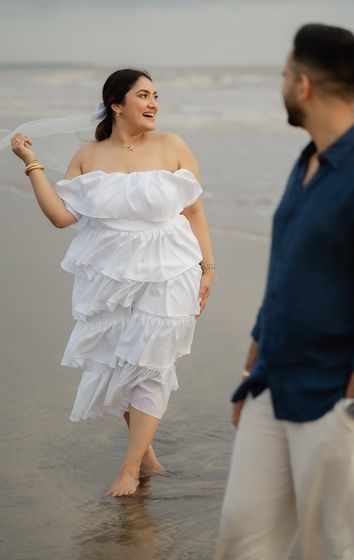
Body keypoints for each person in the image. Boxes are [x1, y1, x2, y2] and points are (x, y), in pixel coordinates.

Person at [214, 23, 354, 560]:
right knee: (243, 534)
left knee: (337, 548)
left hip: (338, 399)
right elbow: (284, 275)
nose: (281, 86)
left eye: (283, 76)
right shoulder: (307, 163)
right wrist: (252, 368)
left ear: (303, 85)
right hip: (273, 383)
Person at [10, 68, 216, 498]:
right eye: (144, 95)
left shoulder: (173, 145)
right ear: (117, 104)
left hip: (170, 269)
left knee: (153, 364)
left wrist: (208, 268)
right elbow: (61, 217)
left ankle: (128, 469)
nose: (154, 103)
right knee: (123, 362)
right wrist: (31, 165)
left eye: (156, 95)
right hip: (111, 277)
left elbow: (194, 212)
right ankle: (147, 454)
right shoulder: (88, 156)